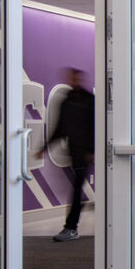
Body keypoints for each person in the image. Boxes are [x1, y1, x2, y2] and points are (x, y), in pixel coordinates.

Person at [50, 67, 95, 242]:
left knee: (76, 190)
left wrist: (92, 150)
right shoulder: (67, 101)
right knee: (76, 190)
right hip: (75, 153)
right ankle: (73, 222)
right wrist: (44, 148)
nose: (73, 81)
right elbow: (60, 128)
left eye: (75, 78)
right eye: (70, 78)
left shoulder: (89, 100)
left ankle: (70, 227)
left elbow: (95, 127)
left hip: (85, 154)